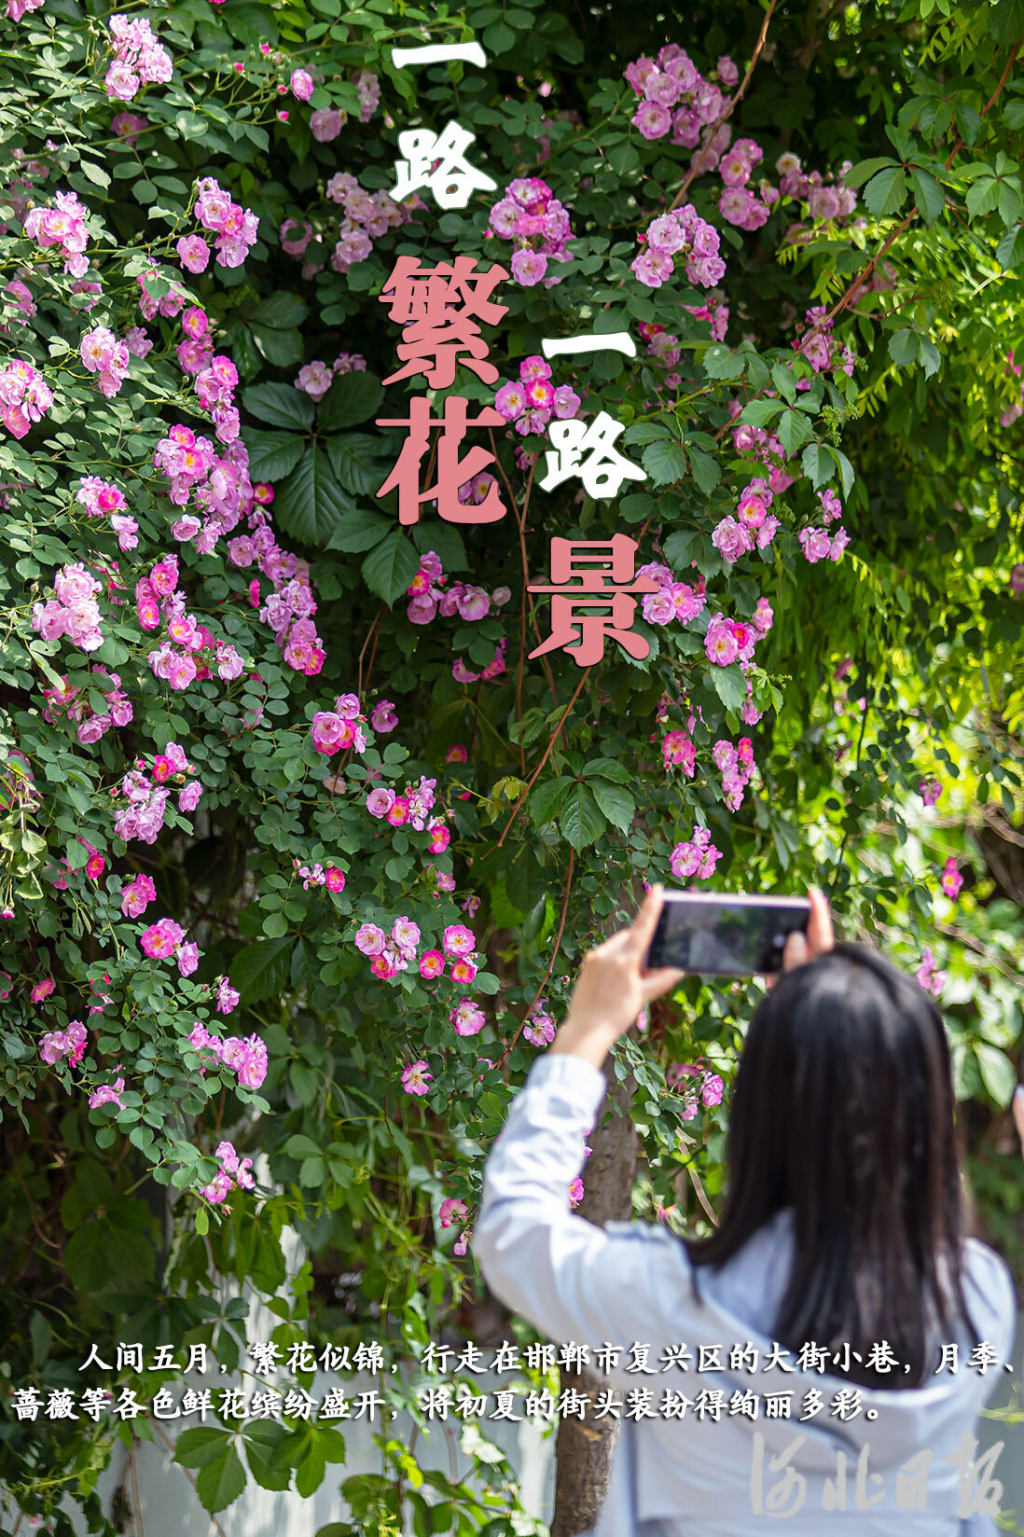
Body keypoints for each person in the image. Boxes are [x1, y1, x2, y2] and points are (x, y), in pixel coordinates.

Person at [471, 885, 1020, 1536]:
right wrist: (832, 1040)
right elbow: (911, 1198)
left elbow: (513, 1232)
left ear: (757, 1112)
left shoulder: (664, 1301)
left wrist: (587, 1030)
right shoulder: (975, 1305)